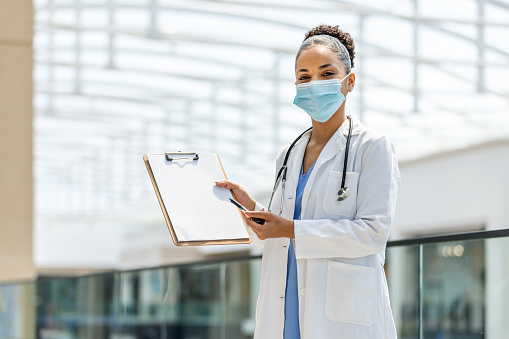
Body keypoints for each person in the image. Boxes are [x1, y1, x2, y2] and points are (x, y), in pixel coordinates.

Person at [216, 24, 400, 339]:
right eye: (304, 77)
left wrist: (287, 229)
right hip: (285, 309)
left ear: (349, 81)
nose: (314, 84)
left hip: (338, 319)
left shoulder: (371, 146)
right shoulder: (288, 153)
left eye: (326, 74)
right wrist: (250, 206)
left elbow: (372, 234)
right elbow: (281, 229)